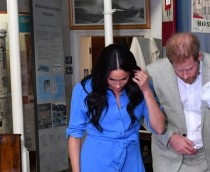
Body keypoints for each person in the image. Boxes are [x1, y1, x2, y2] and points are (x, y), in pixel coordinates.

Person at [66, 44, 165, 172]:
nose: (118, 85)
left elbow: (159, 128)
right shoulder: (84, 89)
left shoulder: (141, 86)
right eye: (112, 79)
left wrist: (146, 90)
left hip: (131, 160)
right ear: (103, 73)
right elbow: (74, 135)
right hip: (96, 160)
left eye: (124, 79)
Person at [146, 32, 210, 172]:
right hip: (169, 159)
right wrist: (169, 137)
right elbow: (145, 115)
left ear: (199, 56)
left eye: (190, 69)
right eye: (179, 71)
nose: (186, 76)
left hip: (207, 156)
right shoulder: (153, 73)